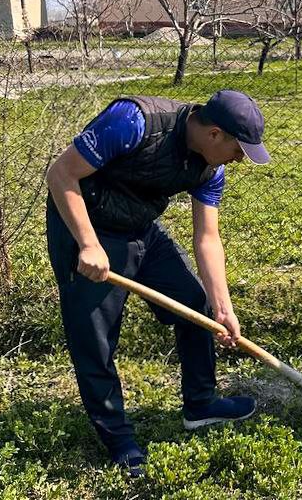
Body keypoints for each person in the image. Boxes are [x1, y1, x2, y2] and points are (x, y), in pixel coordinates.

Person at [46, 90, 270, 475]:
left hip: (140, 227)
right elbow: (60, 174)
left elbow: (207, 238)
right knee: (95, 340)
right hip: (88, 227)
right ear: (215, 134)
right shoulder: (133, 122)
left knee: (196, 306)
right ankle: (118, 438)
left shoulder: (210, 167)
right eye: (239, 149)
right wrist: (88, 244)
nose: (239, 159)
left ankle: (200, 404)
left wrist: (224, 308)